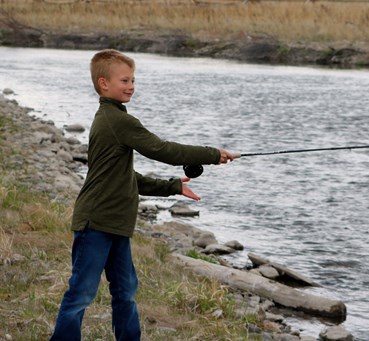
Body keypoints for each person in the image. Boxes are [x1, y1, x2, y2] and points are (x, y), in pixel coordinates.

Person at [50, 49, 239, 340]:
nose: (131, 86)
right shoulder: (117, 121)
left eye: (133, 80)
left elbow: (126, 178)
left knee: (125, 293)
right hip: (96, 224)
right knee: (81, 294)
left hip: (116, 225)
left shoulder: (114, 119)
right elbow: (163, 150)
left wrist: (172, 186)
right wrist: (214, 154)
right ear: (104, 84)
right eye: (124, 80)